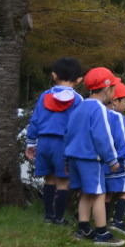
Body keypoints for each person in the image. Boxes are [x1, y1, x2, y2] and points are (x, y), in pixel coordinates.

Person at [64, 67, 124, 247]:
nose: (114, 92)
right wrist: (112, 159)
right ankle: (102, 232)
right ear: (106, 89)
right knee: (99, 193)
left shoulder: (80, 106)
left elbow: (68, 133)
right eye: (113, 87)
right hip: (91, 158)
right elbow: (102, 136)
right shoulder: (99, 109)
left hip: (74, 156)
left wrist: (67, 159)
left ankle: (83, 228)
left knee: (85, 193)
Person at [25, 57, 83, 225]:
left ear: (54, 76)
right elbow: (79, 125)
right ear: (79, 80)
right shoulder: (78, 100)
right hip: (63, 144)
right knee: (63, 181)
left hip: (44, 142)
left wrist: (30, 143)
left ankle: (48, 216)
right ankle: (59, 217)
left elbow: (35, 119)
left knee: (49, 179)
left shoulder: (44, 96)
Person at [104, 81, 125, 236]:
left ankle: (103, 219)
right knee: (124, 191)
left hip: (102, 161)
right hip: (117, 160)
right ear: (115, 101)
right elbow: (121, 139)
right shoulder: (117, 117)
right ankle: (117, 221)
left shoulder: (100, 113)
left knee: (107, 192)